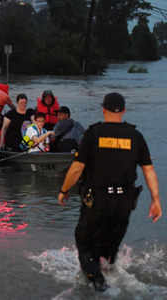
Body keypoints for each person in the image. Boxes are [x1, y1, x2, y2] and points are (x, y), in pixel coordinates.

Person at [57, 93, 162, 292]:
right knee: (109, 250)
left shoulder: (94, 133)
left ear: (103, 109)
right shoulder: (135, 136)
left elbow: (77, 167)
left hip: (98, 201)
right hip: (124, 203)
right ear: (123, 110)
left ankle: (97, 283)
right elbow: (149, 170)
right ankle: (112, 279)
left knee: (84, 242)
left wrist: (64, 190)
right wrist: (156, 200)